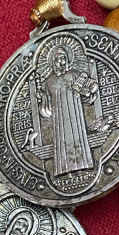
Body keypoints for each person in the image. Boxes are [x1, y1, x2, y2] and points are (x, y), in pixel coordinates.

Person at [41, 45, 95, 176]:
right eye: (58, 59)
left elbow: (92, 86)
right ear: (53, 62)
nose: (61, 61)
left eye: (63, 58)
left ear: (67, 60)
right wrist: (42, 98)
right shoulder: (49, 81)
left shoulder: (75, 74)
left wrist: (87, 91)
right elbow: (46, 106)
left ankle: (83, 166)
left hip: (75, 115)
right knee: (61, 142)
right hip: (59, 120)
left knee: (77, 137)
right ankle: (64, 169)